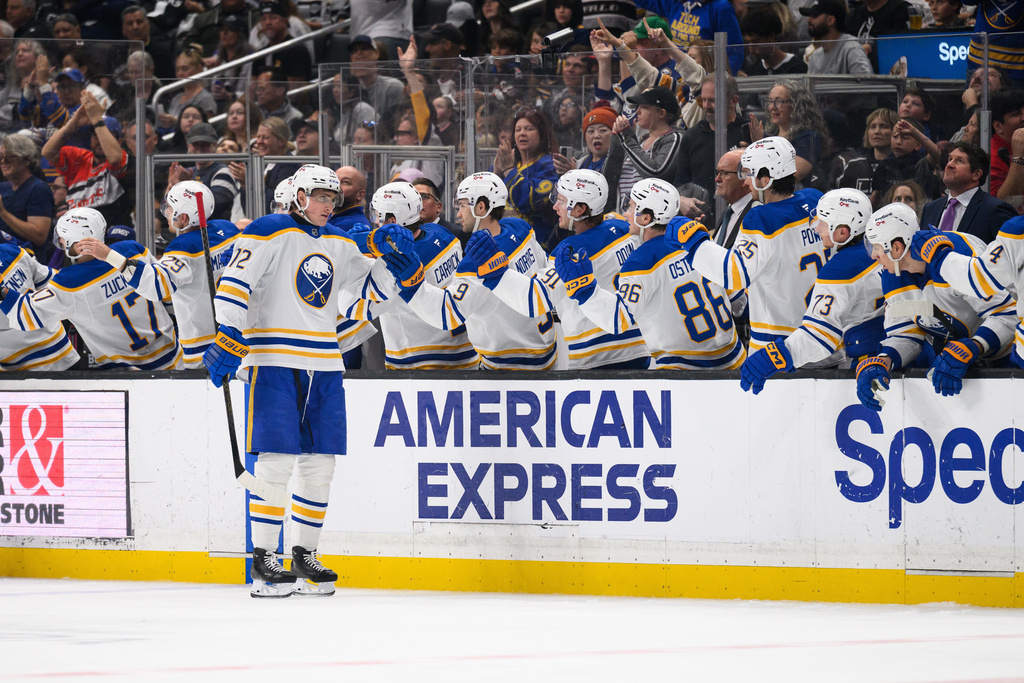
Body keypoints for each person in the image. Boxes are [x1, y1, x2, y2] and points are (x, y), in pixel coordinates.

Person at [202, 164, 391, 597]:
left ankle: (306, 553)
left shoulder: (341, 241)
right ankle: (266, 558)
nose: (330, 204)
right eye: (322, 196)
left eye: (333, 198)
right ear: (300, 196)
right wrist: (229, 330)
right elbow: (235, 282)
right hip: (272, 359)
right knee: (275, 461)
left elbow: (370, 293)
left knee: (320, 464)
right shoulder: (268, 230)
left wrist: (396, 265)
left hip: (325, 362)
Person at [554, 177, 743, 369]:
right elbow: (739, 301)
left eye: (631, 207)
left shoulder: (642, 260)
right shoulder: (698, 241)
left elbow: (618, 321)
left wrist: (584, 289)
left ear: (646, 218)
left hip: (684, 374)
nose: (625, 214)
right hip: (735, 363)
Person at [470, 169, 651, 369]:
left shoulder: (570, 253)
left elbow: (535, 300)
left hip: (596, 359)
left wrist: (496, 274)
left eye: (562, 201)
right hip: (640, 349)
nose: (555, 206)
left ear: (580, 209)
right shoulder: (626, 229)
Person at [377, 172, 557, 370]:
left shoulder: (475, 262)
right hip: (548, 353)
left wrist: (414, 285)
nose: (459, 214)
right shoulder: (520, 228)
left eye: (463, 205)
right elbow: (547, 270)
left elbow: (448, 315)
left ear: (481, 207)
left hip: (508, 369)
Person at [666, 136, 826, 354]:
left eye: (750, 174)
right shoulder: (816, 199)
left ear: (766, 179)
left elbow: (734, 273)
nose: (747, 181)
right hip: (824, 337)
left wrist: (693, 241)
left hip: (779, 346)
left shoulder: (760, 218)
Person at [855, 202, 1015, 409]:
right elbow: (905, 335)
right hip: (957, 362)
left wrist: (974, 346)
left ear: (896, 247)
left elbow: (1007, 314)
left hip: (1010, 357)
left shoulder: (956, 255)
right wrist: (884, 360)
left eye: (875, 247)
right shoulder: (892, 276)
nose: (873, 255)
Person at [76, 181, 239, 369]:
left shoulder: (183, 250)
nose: (167, 213)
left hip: (205, 352)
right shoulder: (228, 230)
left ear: (183, 217)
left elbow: (154, 286)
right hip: (236, 340)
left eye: (170, 208)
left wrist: (109, 256)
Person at [739, 189, 883, 393]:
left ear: (843, 231)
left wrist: (775, 356)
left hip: (865, 369)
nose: (816, 228)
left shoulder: (841, 269)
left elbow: (819, 337)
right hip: (892, 357)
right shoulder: (879, 252)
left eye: (822, 222)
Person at [3, 207, 182, 370]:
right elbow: (164, 291)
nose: (61, 241)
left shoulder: (70, 283)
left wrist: (3, 292)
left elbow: (24, 316)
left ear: (76, 242)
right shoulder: (134, 250)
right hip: (173, 357)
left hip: (124, 375)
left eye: (64, 237)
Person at [349, 182, 477, 370]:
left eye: (377, 214)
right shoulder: (443, 234)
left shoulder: (399, 263)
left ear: (391, 220)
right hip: (464, 354)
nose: (375, 220)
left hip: (419, 365)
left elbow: (353, 308)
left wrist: (358, 257)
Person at [42, 92, 131, 229]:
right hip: (77, 232)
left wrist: (96, 119)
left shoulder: (120, 157)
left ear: (118, 141)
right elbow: (47, 152)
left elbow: (114, 158)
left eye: (104, 135)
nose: (99, 140)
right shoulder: (79, 159)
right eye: (95, 135)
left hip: (110, 232)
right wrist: (73, 123)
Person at [675, 74, 750, 225]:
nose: (706, 106)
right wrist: (681, 200)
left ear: (733, 101)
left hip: (745, 220)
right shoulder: (692, 137)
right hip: (704, 224)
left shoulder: (748, 132)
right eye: (704, 100)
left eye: (713, 100)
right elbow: (680, 183)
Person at [0, 242, 80, 370]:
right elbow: (54, 282)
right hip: (60, 353)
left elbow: (54, 283)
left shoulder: (10, 251)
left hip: (23, 368)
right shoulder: (10, 251)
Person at [920, 142, 1015, 243]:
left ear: (976, 174)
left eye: (959, 161)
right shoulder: (930, 209)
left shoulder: (995, 210)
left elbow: (1011, 254)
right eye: (950, 159)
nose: (949, 165)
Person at [492, 108, 560, 249]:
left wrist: (509, 171)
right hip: (504, 242)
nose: (522, 133)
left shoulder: (549, 165)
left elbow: (530, 201)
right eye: (518, 129)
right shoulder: (509, 162)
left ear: (541, 134)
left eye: (529, 129)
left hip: (537, 245)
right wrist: (496, 174)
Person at [750, 80, 830, 188]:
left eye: (779, 101)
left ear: (795, 105)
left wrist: (761, 147)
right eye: (770, 101)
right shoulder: (769, 135)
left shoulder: (808, 137)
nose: (772, 107)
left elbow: (793, 176)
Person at [630, 0, 745, 74]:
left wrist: (722, 82)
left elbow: (735, 51)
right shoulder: (675, 3)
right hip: (676, 73)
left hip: (703, 76)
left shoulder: (721, 8)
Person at [168, 122, 244, 224]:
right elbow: (168, 211)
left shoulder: (224, 172)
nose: (200, 149)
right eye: (195, 144)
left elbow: (213, 206)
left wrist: (187, 187)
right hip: (191, 231)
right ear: (188, 145)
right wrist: (171, 186)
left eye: (205, 144)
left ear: (214, 145)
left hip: (216, 232)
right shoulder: (188, 172)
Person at [612, 86, 685, 185]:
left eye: (644, 107)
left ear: (661, 113)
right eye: (638, 106)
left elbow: (656, 173)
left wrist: (628, 139)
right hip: (624, 201)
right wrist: (617, 139)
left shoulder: (675, 138)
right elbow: (610, 177)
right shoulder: (640, 141)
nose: (637, 111)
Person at [0, 133, 55, 263]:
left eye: (10, 157)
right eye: (1, 157)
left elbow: (39, 236)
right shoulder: (2, 188)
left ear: (27, 159)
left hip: (28, 265)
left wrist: (2, 212)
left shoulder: (38, 189)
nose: (3, 161)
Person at [832, 108, 897, 192]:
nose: (877, 131)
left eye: (883, 126)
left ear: (896, 131)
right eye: (873, 127)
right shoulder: (851, 164)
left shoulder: (901, 166)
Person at [802, 0, 873, 76]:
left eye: (814, 16)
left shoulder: (852, 49)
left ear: (830, 20)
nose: (808, 20)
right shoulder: (815, 56)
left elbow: (866, 84)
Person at [741, 4, 808, 76]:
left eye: (756, 42)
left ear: (771, 37)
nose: (751, 49)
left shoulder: (797, 67)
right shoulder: (754, 69)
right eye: (749, 43)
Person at [712, 149, 758, 249]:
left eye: (724, 173)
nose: (717, 179)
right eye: (718, 172)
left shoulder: (756, 214)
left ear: (745, 177)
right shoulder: (729, 211)